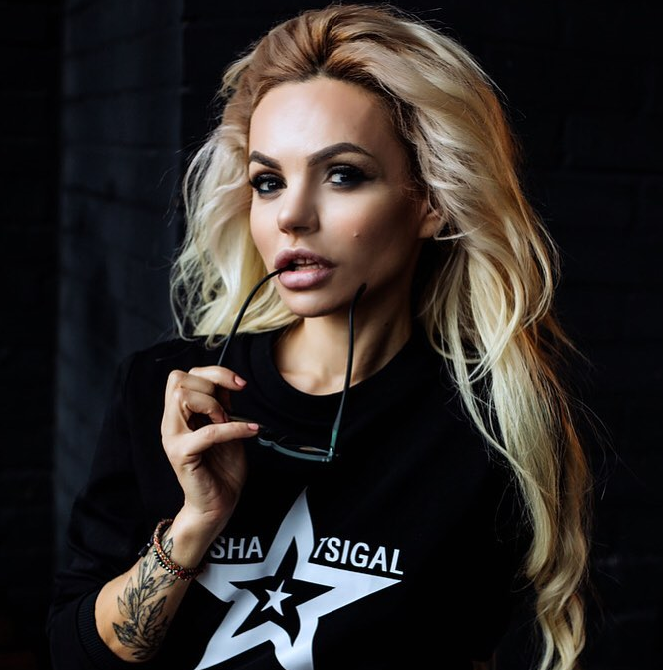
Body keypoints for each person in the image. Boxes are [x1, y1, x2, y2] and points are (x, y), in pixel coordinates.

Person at [47, 4, 591, 670]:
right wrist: (194, 525)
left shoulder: (489, 425)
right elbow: (76, 656)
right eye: (268, 182)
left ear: (431, 200)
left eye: (343, 175)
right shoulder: (169, 393)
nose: (292, 217)